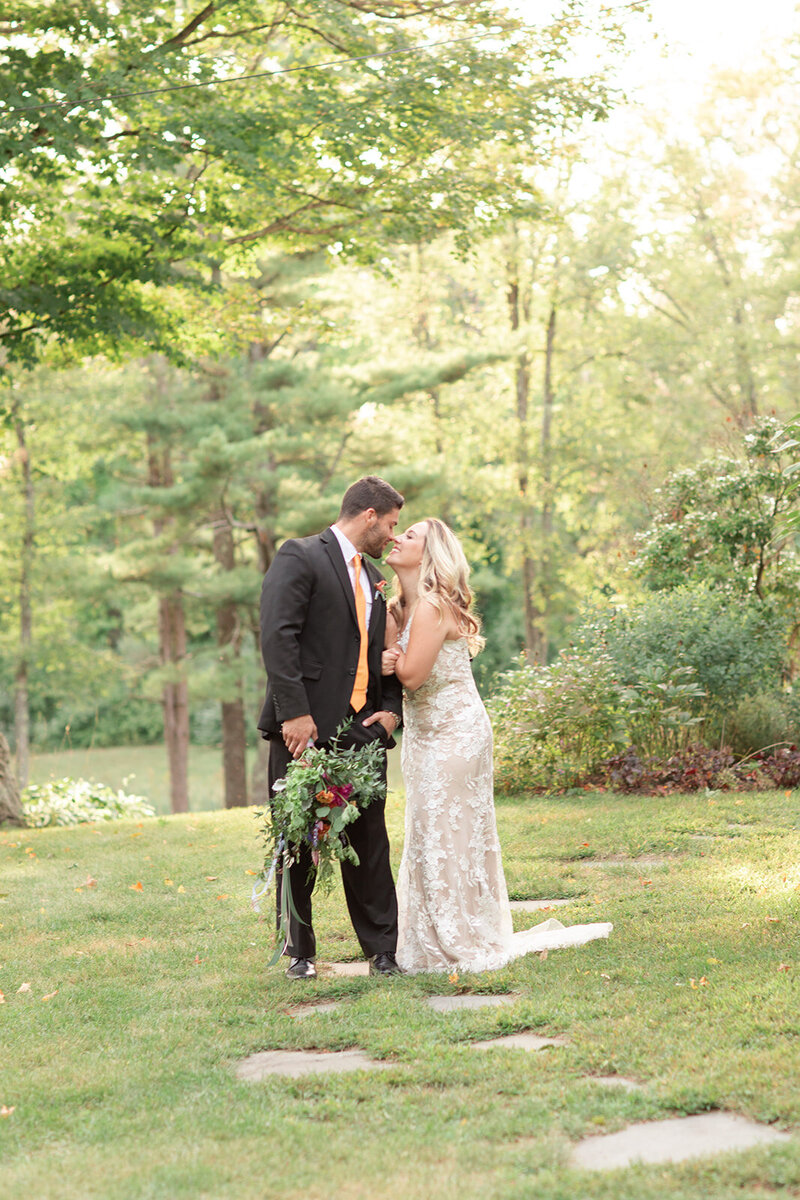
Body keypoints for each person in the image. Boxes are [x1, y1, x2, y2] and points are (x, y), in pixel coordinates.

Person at [382, 518, 612, 974]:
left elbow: (409, 676)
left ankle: (462, 935)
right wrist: (392, 657)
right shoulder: (396, 608)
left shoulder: (431, 606)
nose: (396, 538)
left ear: (430, 554)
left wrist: (394, 661)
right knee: (427, 830)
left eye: (409, 535)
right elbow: (395, 668)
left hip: (456, 733)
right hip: (423, 735)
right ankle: (430, 936)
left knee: (452, 831)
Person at [258, 476, 405, 980]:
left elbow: (382, 652)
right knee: (299, 836)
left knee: (371, 841)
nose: (391, 536)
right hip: (307, 727)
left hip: (364, 725)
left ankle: (382, 952)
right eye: (389, 525)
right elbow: (278, 636)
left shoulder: (375, 577)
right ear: (368, 515)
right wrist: (293, 714)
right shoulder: (300, 555)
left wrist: (391, 710)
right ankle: (300, 952)